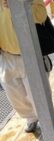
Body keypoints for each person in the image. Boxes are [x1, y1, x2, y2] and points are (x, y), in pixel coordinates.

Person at [0, 0, 49, 133]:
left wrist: (20, 6)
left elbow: (41, 16)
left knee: (39, 95)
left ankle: (47, 123)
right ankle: (31, 118)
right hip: (6, 55)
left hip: (30, 54)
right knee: (14, 94)